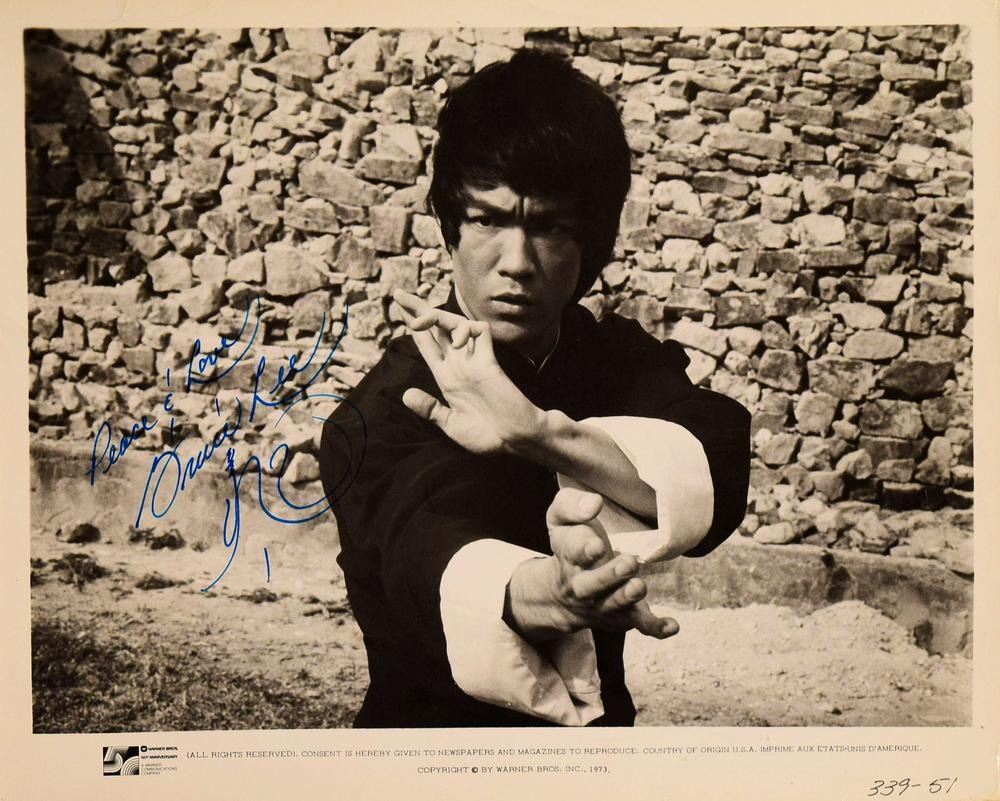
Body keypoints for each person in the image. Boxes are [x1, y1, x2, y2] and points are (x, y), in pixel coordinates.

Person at [319, 49, 751, 727]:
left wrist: (539, 434)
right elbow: (427, 552)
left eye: (548, 226)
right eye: (488, 220)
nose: (516, 263)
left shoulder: (612, 359)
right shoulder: (379, 413)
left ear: (591, 245)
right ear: (451, 227)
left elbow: (714, 458)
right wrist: (558, 593)